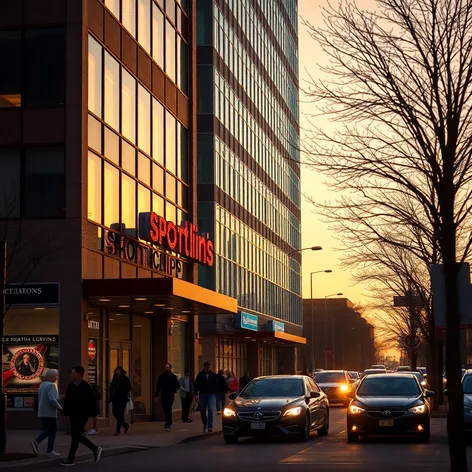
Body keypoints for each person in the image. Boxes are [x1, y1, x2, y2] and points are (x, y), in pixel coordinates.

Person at [61, 365, 102, 467]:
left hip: (82, 415)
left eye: (74, 373)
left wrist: (92, 416)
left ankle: (71, 458)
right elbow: (67, 401)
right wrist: (66, 413)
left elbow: (91, 402)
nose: (72, 375)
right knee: (76, 436)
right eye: (72, 373)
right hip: (72, 414)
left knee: (76, 435)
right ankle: (94, 449)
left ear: (79, 374)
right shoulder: (71, 386)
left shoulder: (86, 386)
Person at [30, 369, 62, 457]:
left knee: (48, 429)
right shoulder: (52, 385)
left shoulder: (42, 385)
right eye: (56, 375)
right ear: (52, 376)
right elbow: (52, 399)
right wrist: (60, 408)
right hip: (50, 412)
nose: (57, 377)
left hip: (42, 412)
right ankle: (39, 442)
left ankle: (49, 449)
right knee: (53, 429)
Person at [194, 362, 218, 433]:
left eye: (209, 367)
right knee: (202, 410)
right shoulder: (200, 375)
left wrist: (215, 391)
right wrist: (196, 393)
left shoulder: (213, 375)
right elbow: (196, 384)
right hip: (203, 394)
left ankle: (210, 426)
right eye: (207, 367)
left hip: (211, 394)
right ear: (204, 367)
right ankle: (205, 422)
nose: (208, 369)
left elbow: (216, 384)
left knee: (210, 409)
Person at [156, 363, 180, 431]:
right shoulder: (162, 376)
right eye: (166, 367)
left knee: (169, 408)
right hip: (163, 394)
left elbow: (178, 385)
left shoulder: (173, 376)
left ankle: (168, 423)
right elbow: (158, 386)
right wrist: (157, 395)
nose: (167, 368)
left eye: (168, 367)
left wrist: (174, 391)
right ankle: (169, 421)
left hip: (170, 395)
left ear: (170, 368)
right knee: (165, 408)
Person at [109, 366, 131, 436]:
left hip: (122, 399)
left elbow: (129, 387)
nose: (117, 372)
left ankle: (118, 430)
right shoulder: (114, 379)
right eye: (116, 371)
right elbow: (111, 388)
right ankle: (125, 424)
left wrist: (124, 392)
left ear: (121, 371)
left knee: (121, 413)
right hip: (115, 399)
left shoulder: (125, 379)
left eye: (119, 371)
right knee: (115, 413)